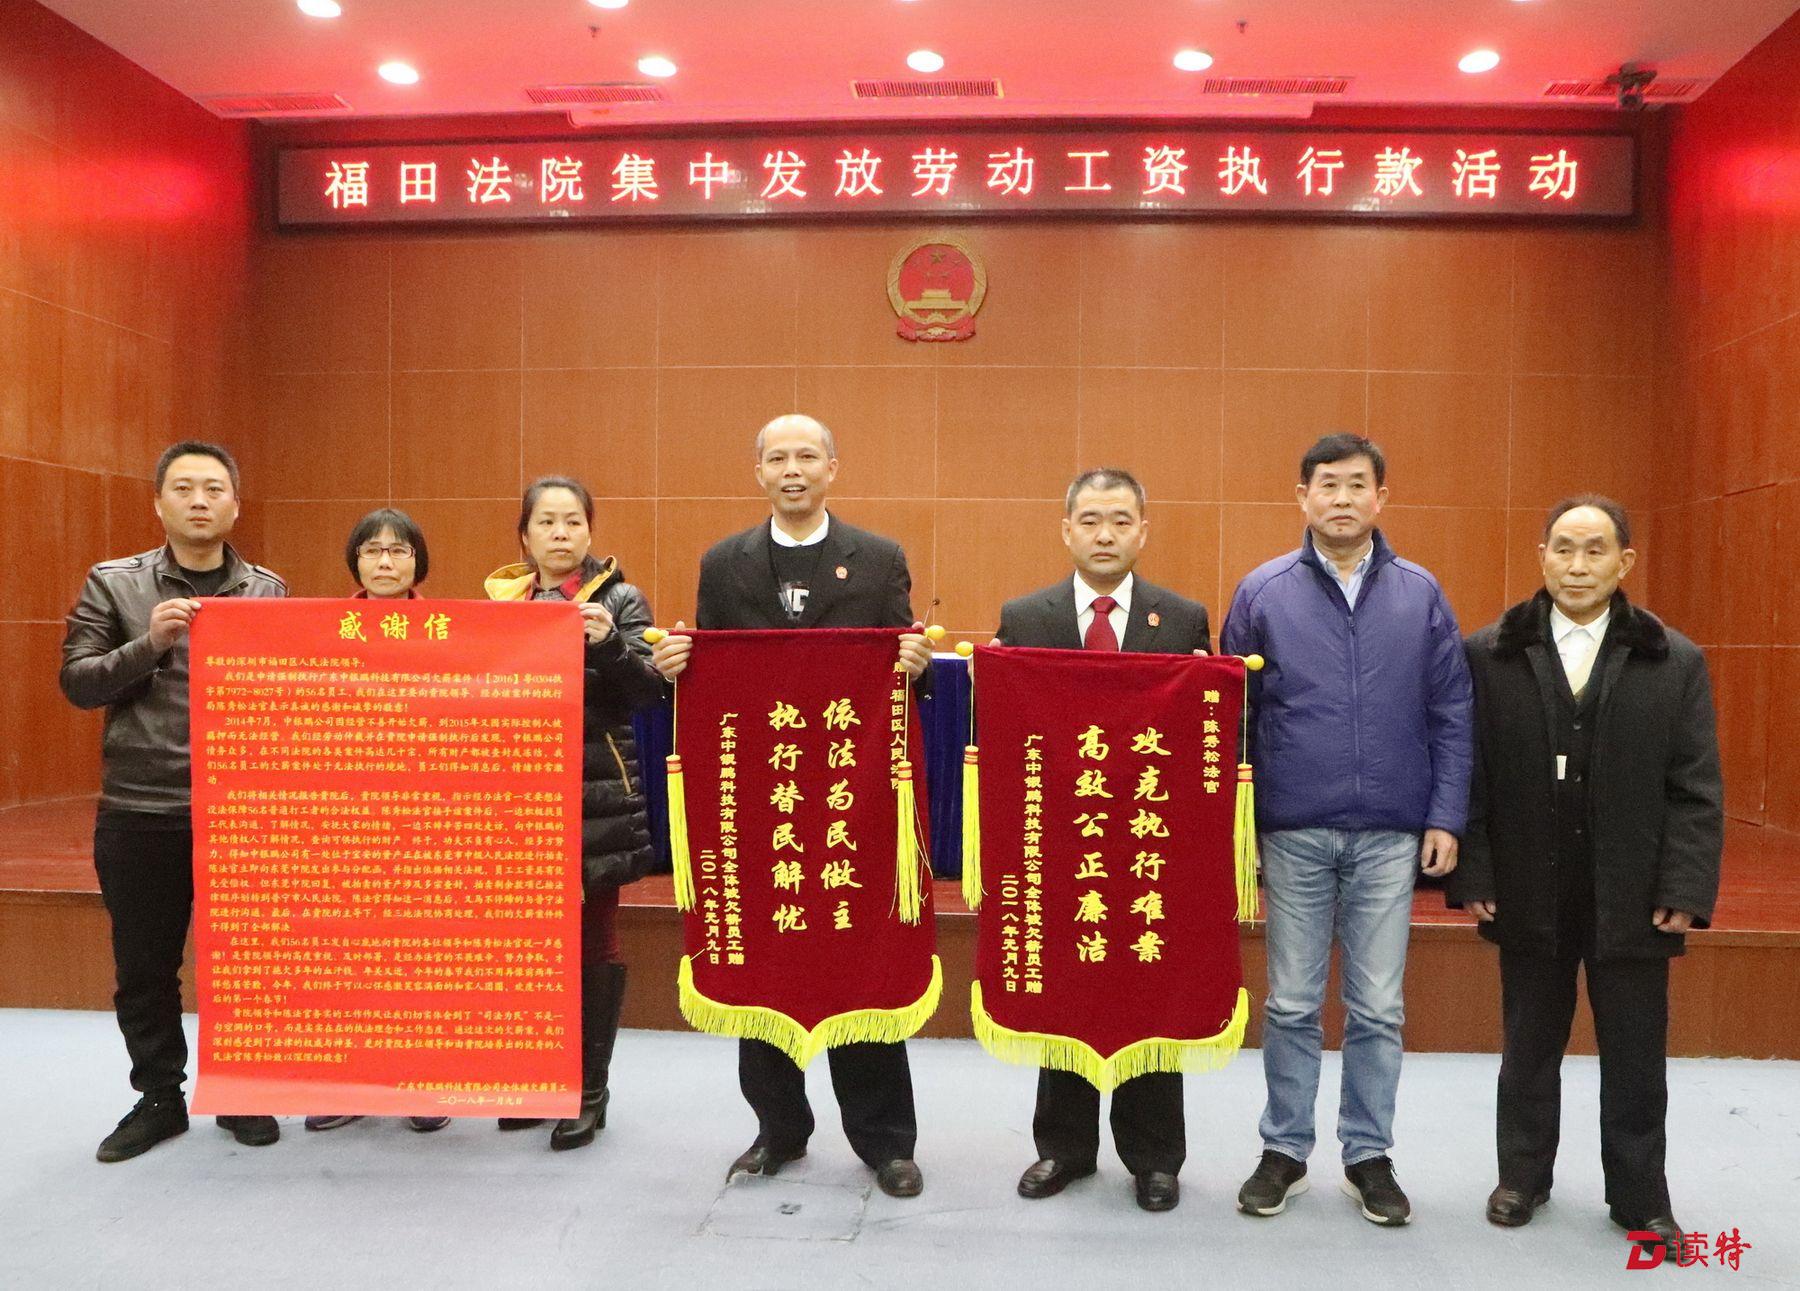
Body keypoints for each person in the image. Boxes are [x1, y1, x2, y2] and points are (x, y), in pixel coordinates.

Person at [650, 413, 933, 1199]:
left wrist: (915, 660)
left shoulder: (879, 558)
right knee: (763, 962)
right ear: (759, 472)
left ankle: (886, 1141)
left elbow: (905, 670)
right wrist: (676, 663)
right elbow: (712, 676)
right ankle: (778, 1129)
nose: (794, 468)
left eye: (808, 455)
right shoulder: (723, 563)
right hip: (762, 800)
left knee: (860, 958)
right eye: (778, 457)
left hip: (849, 798)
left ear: (833, 467)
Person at [1450, 496, 1721, 1262]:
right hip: (1527, 883)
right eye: (1563, 548)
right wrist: (1477, 868)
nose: (1577, 565)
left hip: (1633, 890)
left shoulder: (1674, 660)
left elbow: (1696, 787)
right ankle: (1521, 1177)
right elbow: (1469, 774)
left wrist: (1684, 886)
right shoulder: (1490, 653)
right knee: (1528, 1043)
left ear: (1624, 561)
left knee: (1636, 1052)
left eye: (1594, 550)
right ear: (1541, 554)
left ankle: (1640, 1196)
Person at [1221, 432, 1473, 1226]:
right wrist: (1239, 826)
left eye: (1356, 484)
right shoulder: (1263, 592)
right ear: (1302, 497)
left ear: (1380, 497)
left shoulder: (1420, 593)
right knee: (1292, 1001)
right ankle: (1284, 1150)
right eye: (1326, 484)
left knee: (1378, 1006)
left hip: (1391, 833)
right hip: (1293, 828)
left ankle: (1368, 1154)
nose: (1341, 498)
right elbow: (1231, 719)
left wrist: (1445, 814)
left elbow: (1452, 709)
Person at [60, 441, 288, 1162]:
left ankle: (241, 1089)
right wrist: (149, 644)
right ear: (158, 503)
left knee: (245, 964)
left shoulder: (268, 591)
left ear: (235, 506)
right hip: (142, 807)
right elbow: (78, 682)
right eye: (183, 487)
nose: (199, 500)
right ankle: (159, 1096)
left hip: (239, 814)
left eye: (214, 488)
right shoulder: (114, 584)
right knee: (145, 966)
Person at [993, 467, 1211, 1214]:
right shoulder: (1026, 617)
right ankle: (1064, 1147)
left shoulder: (1181, 619)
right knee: (1068, 986)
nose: (1105, 534)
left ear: (1143, 530)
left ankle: (1155, 1156)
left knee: (1150, 986)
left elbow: (1201, 733)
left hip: (1149, 839)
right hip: (1062, 838)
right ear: (1066, 530)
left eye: (1121, 520)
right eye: (1090, 520)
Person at [484, 476, 663, 1151]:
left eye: (572, 521)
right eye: (546, 522)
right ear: (524, 535)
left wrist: (610, 643)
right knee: (531, 944)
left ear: (590, 531)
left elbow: (649, 692)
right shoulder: (500, 604)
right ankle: (542, 1079)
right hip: (517, 794)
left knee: (593, 939)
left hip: (596, 793)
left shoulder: (619, 599)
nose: (560, 533)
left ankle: (589, 1090)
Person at [304, 508, 449, 1136]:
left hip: (427, 820)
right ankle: (350, 1082)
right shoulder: (321, 633)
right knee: (350, 956)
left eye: (398, 550)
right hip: (347, 819)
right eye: (372, 550)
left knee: (421, 957)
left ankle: (424, 1082)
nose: (385, 562)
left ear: (418, 562)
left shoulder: (454, 631)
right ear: (355, 561)